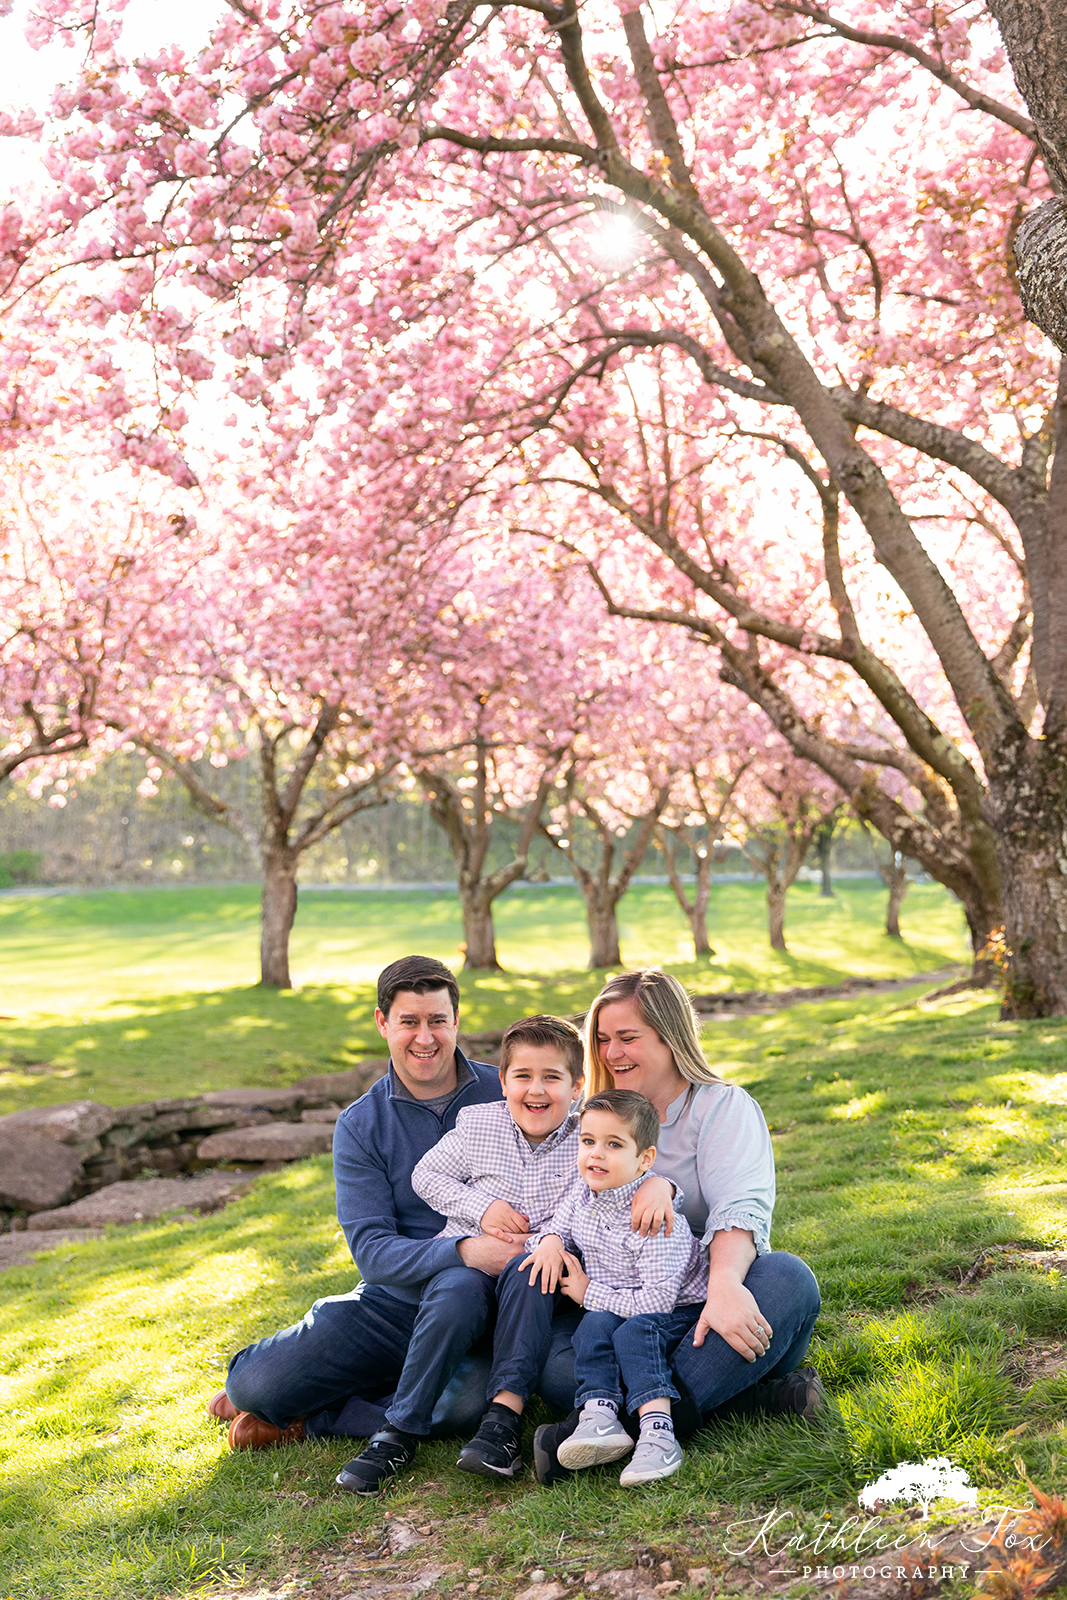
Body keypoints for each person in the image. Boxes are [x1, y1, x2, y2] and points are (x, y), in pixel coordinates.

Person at [531, 968, 823, 1486]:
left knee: (789, 1280)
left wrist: (726, 1286)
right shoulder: (594, 1118)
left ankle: (612, 1427)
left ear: (670, 1038)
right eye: (601, 1039)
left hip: (702, 1310)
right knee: (557, 1365)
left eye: (627, 1038)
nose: (611, 1053)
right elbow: (564, 1203)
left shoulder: (722, 1108)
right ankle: (752, 1400)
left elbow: (741, 1208)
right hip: (616, 1312)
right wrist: (548, 1239)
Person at [336, 1013, 587, 1492]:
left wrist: (546, 1239)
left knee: (531, 1271)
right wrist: (484, 1206)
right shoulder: (478, 1125)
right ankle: (398, 1431)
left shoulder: (583, 1139)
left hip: (541, 1267)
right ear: (503, 1081)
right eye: (523, 1077)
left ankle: (501, 1425)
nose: (536, 1090)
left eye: (551, 1078)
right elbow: (426, 1177)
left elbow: (591, 1200)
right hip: (471, 1261)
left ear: (576, 1087)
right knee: (453, 1293)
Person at [512, 1089, 709, 1486]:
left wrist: (588, 1294)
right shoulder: (584, 1195)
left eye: (613, 1144)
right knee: (594, 1326)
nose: (596, 1154)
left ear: (645, 1159)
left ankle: (659, 1435)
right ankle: (600, 1415)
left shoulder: (653, 1221)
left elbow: (657, 1303)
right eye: (588, 1142)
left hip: (680, 1310)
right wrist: (549, 1242)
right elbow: (556, 1226)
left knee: (633, 1333)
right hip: (622, 1302)